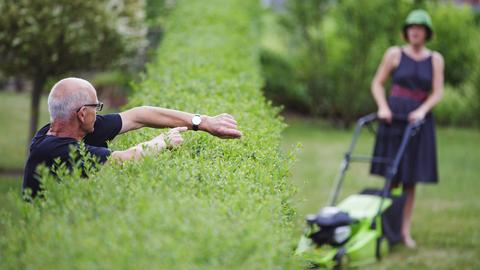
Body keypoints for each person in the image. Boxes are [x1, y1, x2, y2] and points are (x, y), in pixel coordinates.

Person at [23, 77, 242, 198]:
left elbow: (139, 115)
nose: (98, 112)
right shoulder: (54, 149)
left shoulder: (71, 128)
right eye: (96, 106)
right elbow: (123, 160)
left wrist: (202, 122)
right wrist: (163, 142)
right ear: (81, 114)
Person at [370, 9, 444, 248]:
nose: (414, 31)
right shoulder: (394, 54)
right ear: (406, 31)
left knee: (410, 180)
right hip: (394, 117)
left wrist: (423, 110)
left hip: (417, 122)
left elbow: (438, 92)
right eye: (411, 27)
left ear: (426, 32)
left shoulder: (435, 59)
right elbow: (378, 83)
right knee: (391, 176)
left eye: (419, 27)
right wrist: (383, 107)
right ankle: (383, 227)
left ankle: (404, 232)